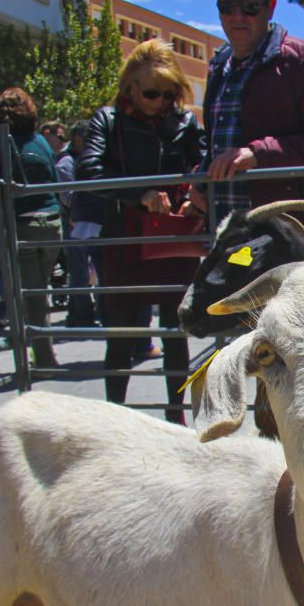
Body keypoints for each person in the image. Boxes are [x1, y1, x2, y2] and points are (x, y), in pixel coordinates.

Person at [78, 39, 205, 423]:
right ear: (130, 86)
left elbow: (202, 164)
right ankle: (115, 420)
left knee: (175, 334)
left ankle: (176, 418)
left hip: (172, 236)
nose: (161, 101)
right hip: (124, 238)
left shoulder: (185, 122)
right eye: (151, 92)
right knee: (121, 335)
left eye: (169, 93)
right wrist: (140, 193)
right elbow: (89, 172)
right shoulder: (107, 120)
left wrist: (192, 196)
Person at [182, 0, 304, 240]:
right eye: (227, 7)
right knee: (235, 276)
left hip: (287, 237)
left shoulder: (302, 60)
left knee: (275, 281)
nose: (238, 17)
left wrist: (257, 154)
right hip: (231, 233)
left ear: (270, 8)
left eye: (250, 7)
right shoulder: (218, 68)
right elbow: (220, 144)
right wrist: (199, 183)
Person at [0, 87, 63, 369]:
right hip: (52, 223)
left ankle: (43, 359)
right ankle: (41, 353)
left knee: (32, 295)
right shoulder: (42, 142)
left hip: (22, 224)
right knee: (38, 291)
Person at [55, 120, 103, 328]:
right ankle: (82, 315)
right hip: (75, 224)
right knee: (79, 272)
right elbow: (67, 196)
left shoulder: (89, 159)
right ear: (78, 140)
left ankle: (95, 312)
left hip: (93, 221)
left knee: (99, 270)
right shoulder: (66, 163)